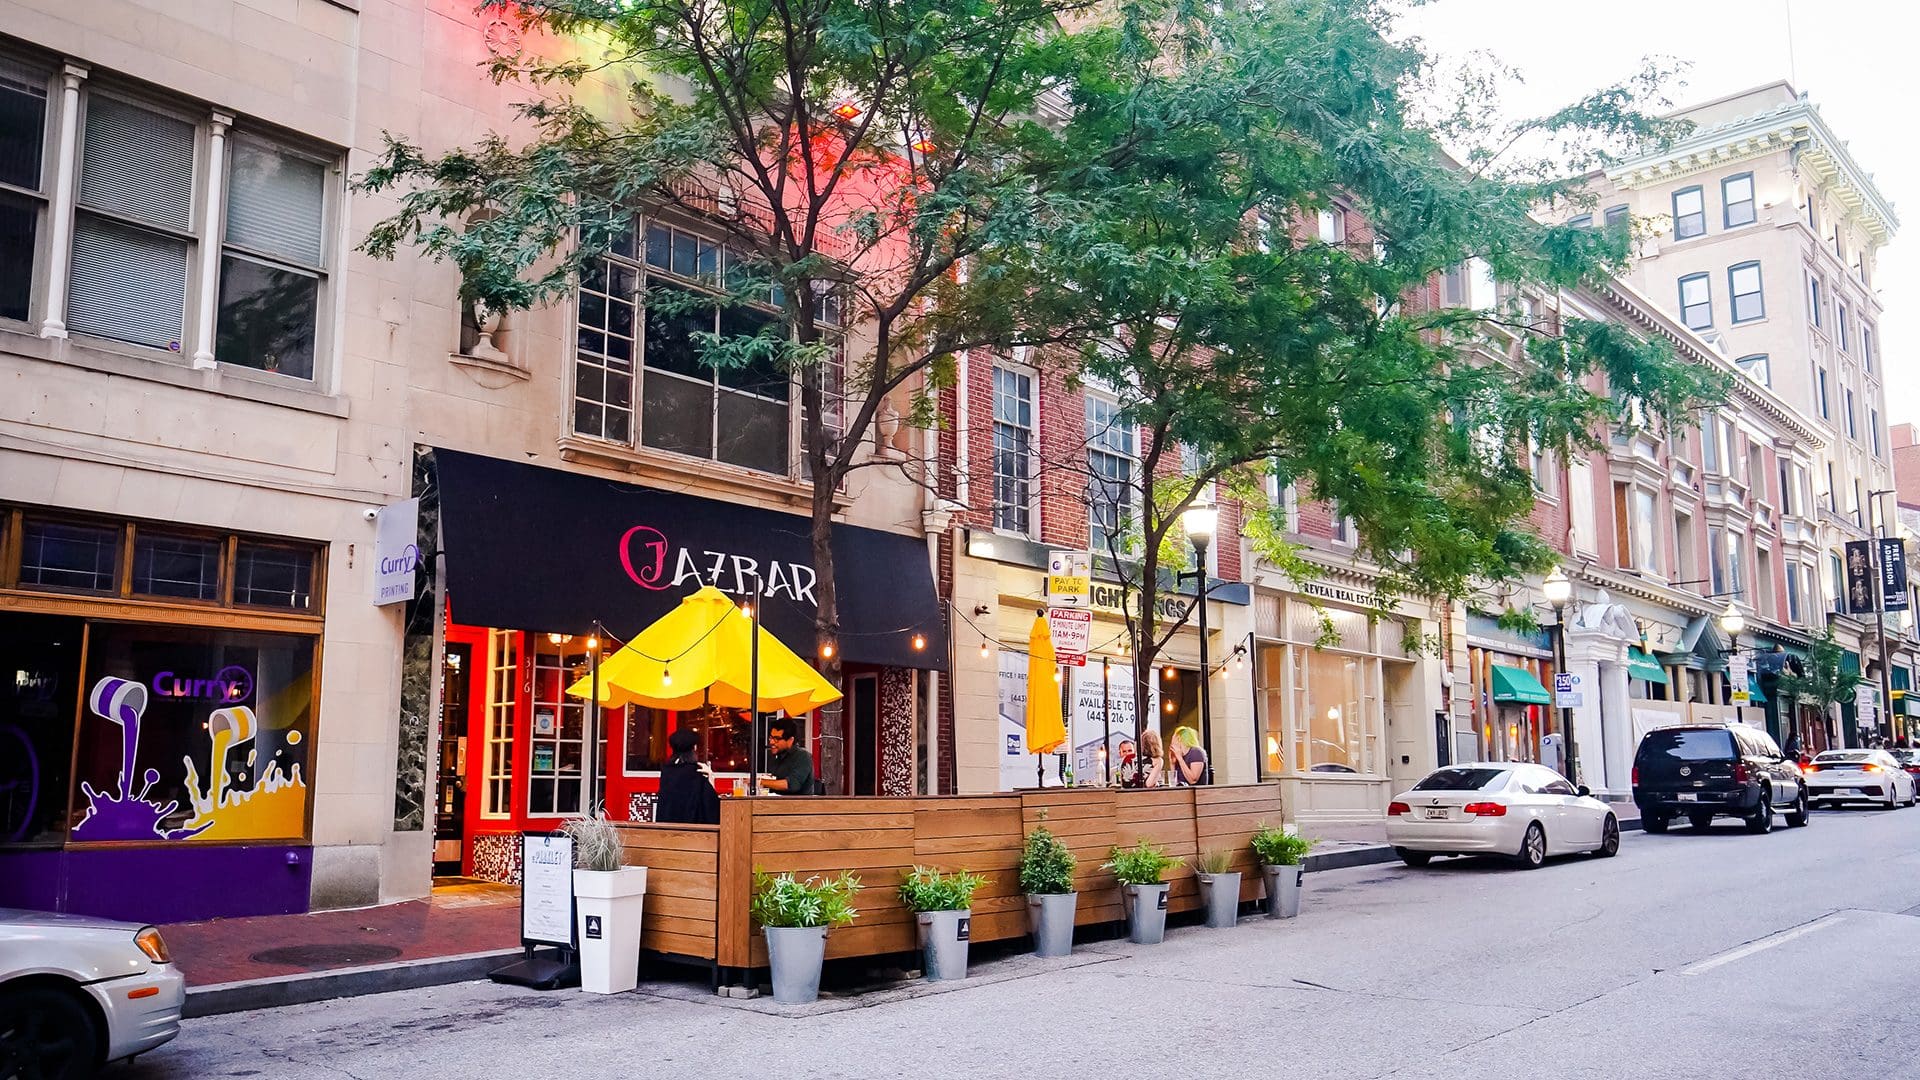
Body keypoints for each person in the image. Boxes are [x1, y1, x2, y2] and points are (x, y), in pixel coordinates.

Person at [655, 727, 721, 824]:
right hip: (693, 833)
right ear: (694, 747)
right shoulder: (698, 771)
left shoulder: (666, 772)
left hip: (667, 832)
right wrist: (710, 777)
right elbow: (712, 808)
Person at [761, 716, 819, 795]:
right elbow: (774, 785)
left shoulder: (803, 757)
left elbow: (792, 785)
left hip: (799, 806)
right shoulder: (778, 758)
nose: (771, 742)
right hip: (777, 805)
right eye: (771, 737)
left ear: (790, 740)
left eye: (776, 738)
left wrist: (759, 782)